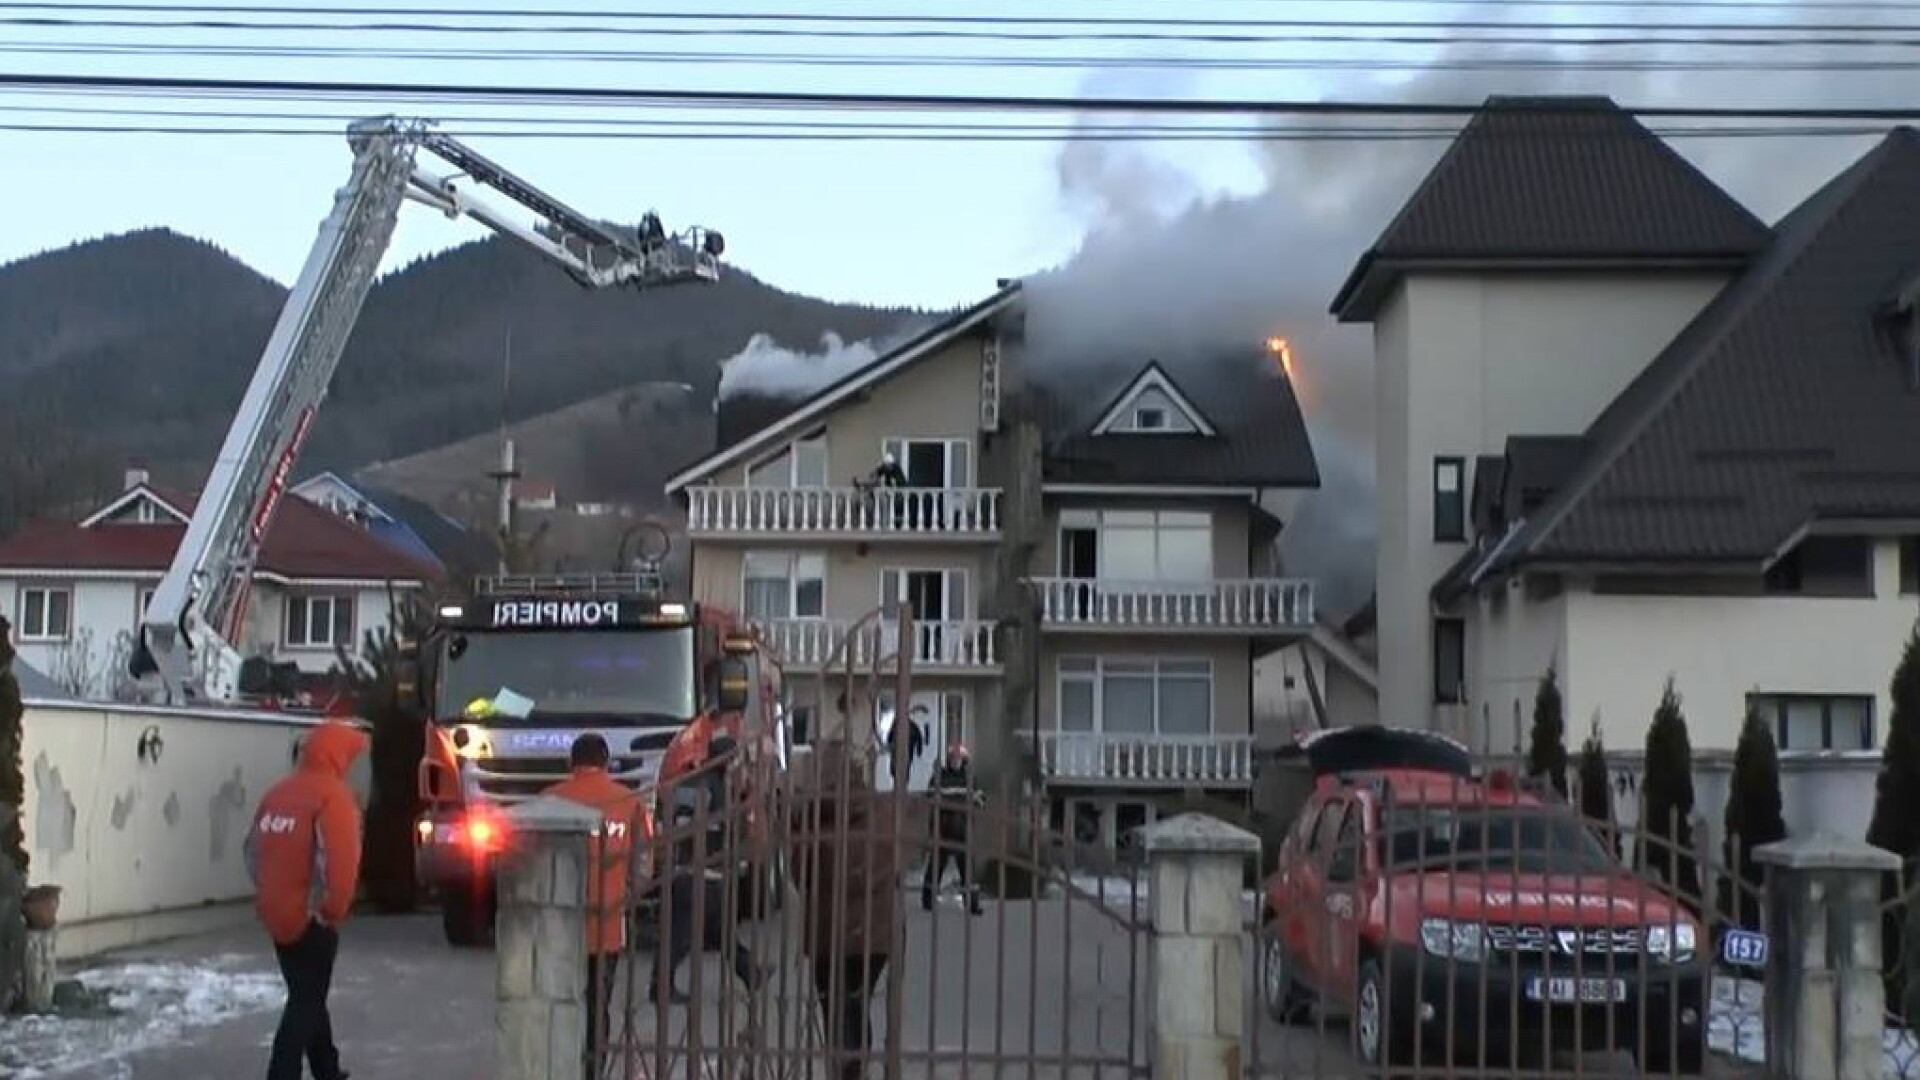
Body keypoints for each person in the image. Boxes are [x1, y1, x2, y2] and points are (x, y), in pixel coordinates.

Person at [244, 717, 369, 1080]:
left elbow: (252, 851)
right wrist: (332, 909)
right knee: (306, 1000)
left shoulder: (277, 794)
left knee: (307, 992)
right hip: (310, 917)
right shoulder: (334, 797)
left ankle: (326, 1068)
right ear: (339, 756)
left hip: (275, 910)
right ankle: (281, 1072)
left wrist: (269, 893)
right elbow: (341, 861)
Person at [794, 741, 903, 1080]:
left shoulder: (812, 817)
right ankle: (856, 1064)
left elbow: (801, 874)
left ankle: (846, 1067)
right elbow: (896, 862)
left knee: (836, 1007)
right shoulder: (881, 810)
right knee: (856, 1001)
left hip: (830, 932)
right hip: (875, 933)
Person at [542, 733, 646, 1067]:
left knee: (560, 1003)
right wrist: (628, 894)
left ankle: (561, 1066)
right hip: (608, 925)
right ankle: (594, 1068)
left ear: (571, 763)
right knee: (598, 1004)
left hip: (559, 926)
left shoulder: (549, 799)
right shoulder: (628, 801)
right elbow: (643, 865)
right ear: (606, 762)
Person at [653, 730, 762, 1004]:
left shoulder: (690, 782)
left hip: (687, 868)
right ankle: (660, 986)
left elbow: (669, 816)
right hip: (702, 872)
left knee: (719, 931)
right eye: (737, 761)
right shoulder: (716, 789)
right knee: (681, 936)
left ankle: (751, 973)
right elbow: (715, 828)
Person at [921, 740, 983, 915]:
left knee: (967, 869)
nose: (956, 762)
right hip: (943, 827)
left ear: (964, 760)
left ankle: (972, 904)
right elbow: (931, 798)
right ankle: (928, 900)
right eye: (953, 759)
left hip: (962, 827)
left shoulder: (970, 778)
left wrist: (959, 804)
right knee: (936, 865)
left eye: (959, 759)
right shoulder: (939, 777)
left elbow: (979, 800)